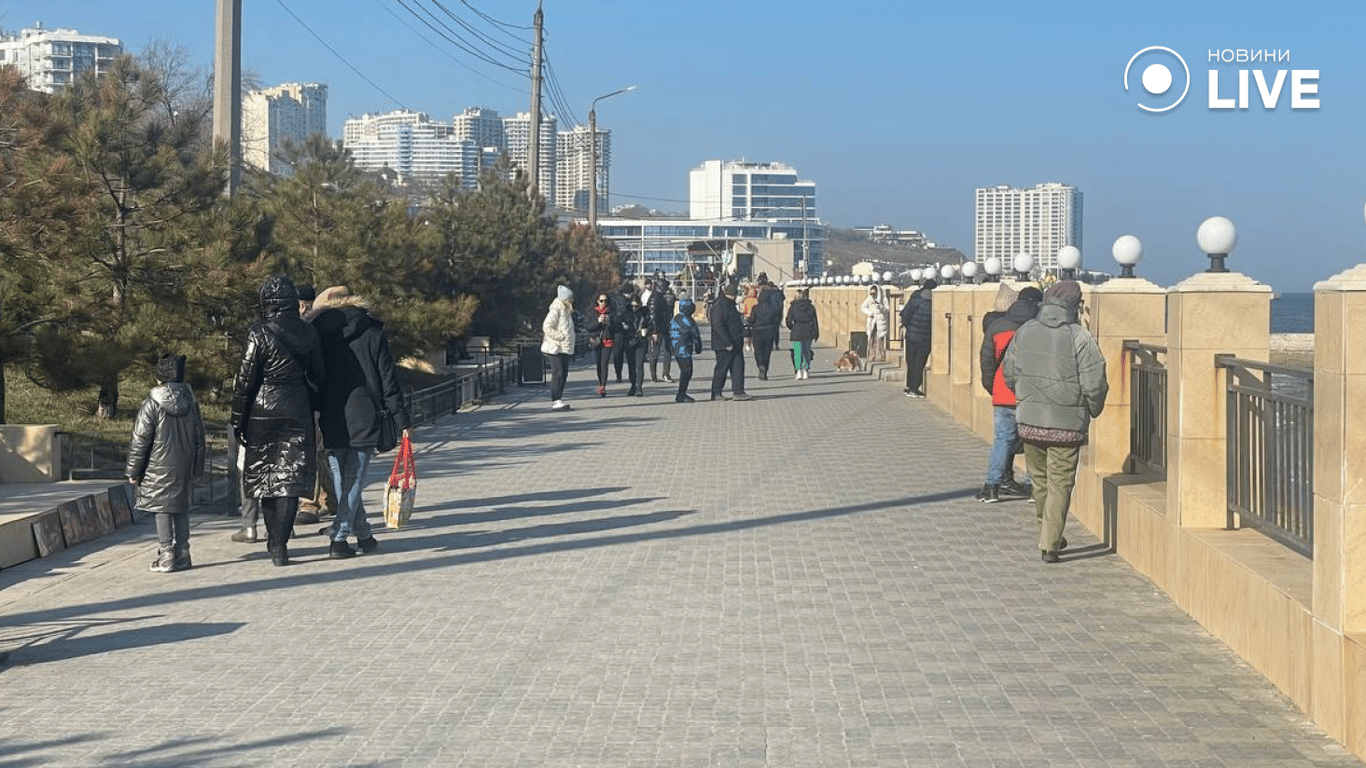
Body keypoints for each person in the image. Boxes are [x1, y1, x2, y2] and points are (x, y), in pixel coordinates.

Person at [1002, 280, 1108, 563]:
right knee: (1060, 483)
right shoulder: (1079, 337)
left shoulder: (1025, 331)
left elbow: (1009, 373)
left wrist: (1025, 397)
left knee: (1039, 482)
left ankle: (1048, 534)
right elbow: (1095, 383)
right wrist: (1093, 409)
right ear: (1075, 305)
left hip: (1029, 421)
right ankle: (1049, 542)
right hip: (1067, 425)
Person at [308, 285, 412, 559]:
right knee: (352, 480)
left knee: (343, 479)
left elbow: (312, 377)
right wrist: (402, 419)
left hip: (331, 412)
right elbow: (388, 379)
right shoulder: (372, 331)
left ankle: (364, 534)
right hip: (364, 412)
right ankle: (339, 538)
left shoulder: (317, 332)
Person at [231, 276, 327, 567]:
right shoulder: (308, 332)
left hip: (262, 413)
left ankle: (274, 539)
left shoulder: (258, 332)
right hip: (297, 409)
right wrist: (311, 404)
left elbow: (245, 381)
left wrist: (238, 420)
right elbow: (319, 375)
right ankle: (280, 545)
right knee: (290, 480)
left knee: (267, 478)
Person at [125, 353, 206, 573]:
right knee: (180, 507)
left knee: (162, 508)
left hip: (158, 465)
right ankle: (183, 553)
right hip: (184, 464)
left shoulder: (152, 403)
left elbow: (140, 439)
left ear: (159, 377)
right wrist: (198, 468)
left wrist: (133, 470)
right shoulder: (191, 401)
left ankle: (166, 553)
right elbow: (200, 437)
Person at [976, 286, 1042, 503]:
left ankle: (992, 487)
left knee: (1002, 440)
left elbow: (987, 362)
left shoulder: (997, 327)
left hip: (1003, 392)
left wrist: (992, 388)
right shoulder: (1040, 327)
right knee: (1033, 440)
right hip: (1032, 393)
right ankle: (1034, 487)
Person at [709, 283, 752, 401]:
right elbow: (718, 325)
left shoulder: (729, 304)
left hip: (735, 341)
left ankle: (738, 391)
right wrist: (727, 341)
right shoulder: (720, 305)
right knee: (722, 368)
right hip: (724, 344)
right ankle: (716, 392)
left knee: (738, 366)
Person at [900, 278, 938, 397]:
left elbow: (905, 314)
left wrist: (908, 327)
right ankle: (914, 388)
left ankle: (909, 386)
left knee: (911, 361)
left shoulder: (915, 298)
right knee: (919, 363)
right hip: (925, 338)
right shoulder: (934, 302)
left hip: (911, 335)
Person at [541, 284, 576, 411]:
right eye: (570, 299)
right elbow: (547, 326)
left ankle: (559, 398)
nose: (572, 301)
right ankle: (555, 400)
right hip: (555, 348)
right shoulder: (556, 309)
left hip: (564, 348)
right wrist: (560, 337)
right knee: (558, 373)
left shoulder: (566, 311)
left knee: (564, 374)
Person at [668, 295, 703, 402]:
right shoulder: (689, 321)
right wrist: (698, 348)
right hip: (684, 349)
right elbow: (696, 336)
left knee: (684, 371)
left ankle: (681, 393)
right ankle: (681, 394)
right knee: (687, 372)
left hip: (675, 348)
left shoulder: (675, 318)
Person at [583, 292, 616, 397]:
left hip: (607, 339)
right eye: (601, 301)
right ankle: (600, 384)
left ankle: (603, 387)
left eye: (605, 301)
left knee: (604, 363)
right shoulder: (592, 312)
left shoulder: (611, 311)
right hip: (596, 340)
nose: (603, 303)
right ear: (597, 301)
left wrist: (609, 322)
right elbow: (588, 327)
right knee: (598, 363)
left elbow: (616, 326)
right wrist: (598, 321)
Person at [749, 281, 782, 380]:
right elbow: (776, 320)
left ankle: (761, 365)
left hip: (757, 332)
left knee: (758, 351)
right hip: (769, 332)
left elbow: (752, 320)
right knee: (767, 352)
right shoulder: (773, 309)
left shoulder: (755, 308)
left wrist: (749, 321)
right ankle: (765, 369)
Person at [784, 288, 819, 379]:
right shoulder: (811, 307)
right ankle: (806, 370)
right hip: (808, 330)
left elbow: (788, 320)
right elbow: (814, 321)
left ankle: (798, 371)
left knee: (797, 352)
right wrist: (816, 333)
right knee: (806, 351)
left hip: (797, 331)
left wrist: (792, 327)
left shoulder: (793, 307)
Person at [647, 279, 676, 383]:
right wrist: (654, 331)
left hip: (666, 327)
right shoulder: (654, 298)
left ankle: (665, 374)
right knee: (654, 352)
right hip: (657, 329)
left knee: (667, 351)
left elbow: (669, 312)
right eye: (666, 287)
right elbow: (652, 315)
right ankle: (653, 375)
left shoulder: (664, 297)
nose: (667, 289)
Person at [623, 293, 651, 396]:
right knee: (631, 365)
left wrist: (647, 330)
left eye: (636, 306)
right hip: (629, 341)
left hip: (641, 341)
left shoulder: (644, 313)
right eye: (632, 306)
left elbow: (650, 325)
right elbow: (618, 324)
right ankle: (633, 385)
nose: (634, 308)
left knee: (639, 365)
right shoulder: (626, 314)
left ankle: (639, 387)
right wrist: (623, 326)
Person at [609, 282, 635, 383]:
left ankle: (618, 375)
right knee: (630, 355)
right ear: (630, 293)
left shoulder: (614, 300)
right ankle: (631, 375)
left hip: (617, 332)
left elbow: (613, 315)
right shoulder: (628, 302)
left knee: (618, 354)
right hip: (626, 331)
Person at [861, 285, 891, 362]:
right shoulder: (869, 299)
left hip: (881, 321)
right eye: (871, 294)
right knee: (872, 338)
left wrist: (880, 307)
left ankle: (880, 355)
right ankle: (871, 355)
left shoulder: (883, 299)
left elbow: (887, 309)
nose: (873, 296)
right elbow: (863, 307)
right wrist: (869, 313)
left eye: (874, 294)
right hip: (872, 321)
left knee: (880, 339)